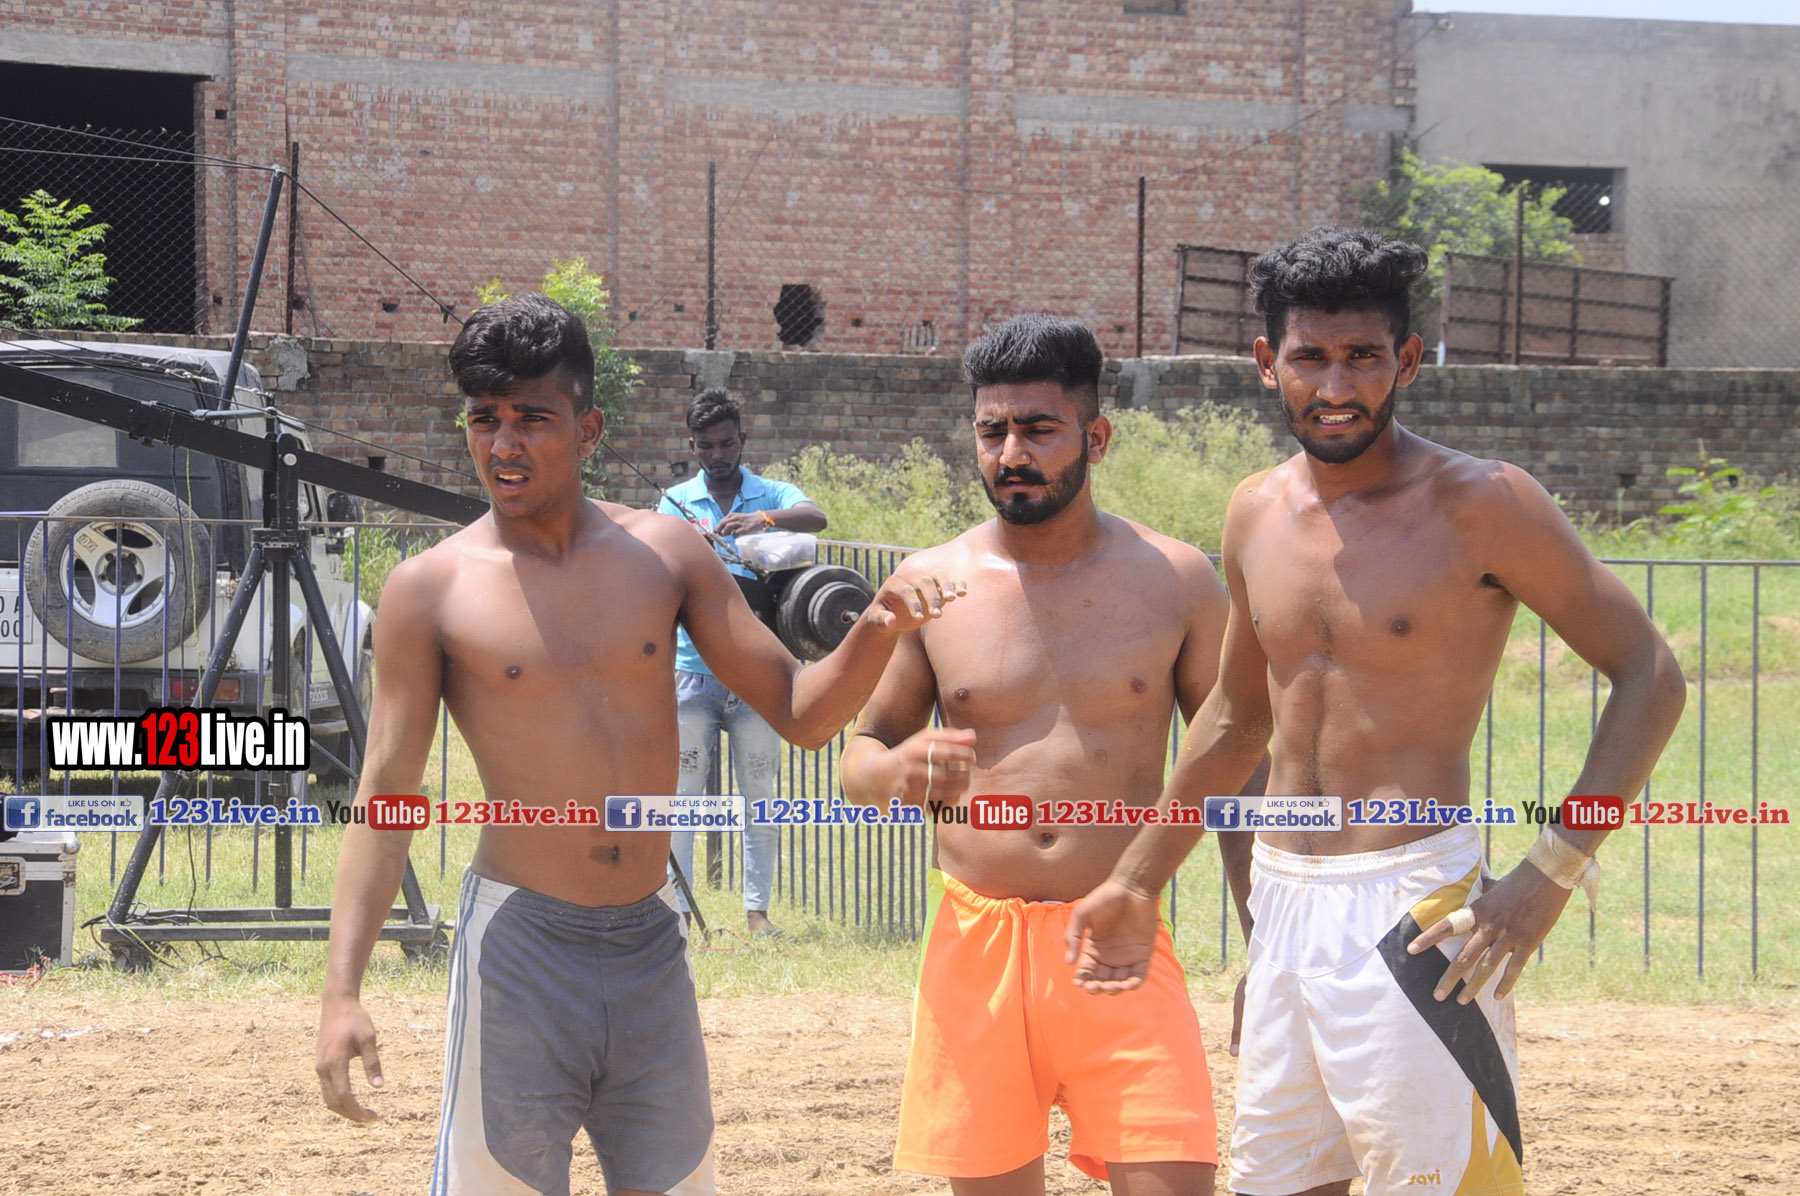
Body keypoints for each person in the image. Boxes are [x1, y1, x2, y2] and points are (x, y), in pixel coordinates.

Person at [1065, 228, 1686, 1196]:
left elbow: (1651, 673)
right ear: (1267, 362)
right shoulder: (1254, 510)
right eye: (1310, 356)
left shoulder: (1485, 503)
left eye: (1363, 356)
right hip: (1283, 909)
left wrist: (1554, 870)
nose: (1336, 385)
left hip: (1416, 908)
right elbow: (1234, 718)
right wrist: (1138, 879)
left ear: (1408, 359)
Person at [314, 293, 959, 1196]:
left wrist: (879, 623)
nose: (503, 444)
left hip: (652, 941)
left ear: (589, 430)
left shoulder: (667, 553)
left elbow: (802, 713)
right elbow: (386, 795)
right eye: (484, 419)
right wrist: (341, 992)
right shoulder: (430, 590)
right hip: (520, 948)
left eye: (532, 418)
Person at [840, 314, 1252, 1196]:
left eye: (1038, 429)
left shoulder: (1177, 580)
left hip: (1119, 938)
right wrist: (891, 774)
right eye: (992, 432)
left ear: (1095, 438)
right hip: (975, 946)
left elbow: (1238, 768)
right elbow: (861, 754)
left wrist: (1267, 946)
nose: (1011, 454)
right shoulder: (931, 585)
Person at [658, 387, 827, 937]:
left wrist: (764, 522)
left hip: (758, 675)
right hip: (692, 673)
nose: (718, 455)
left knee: (761, 797)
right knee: (682, 801)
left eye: (727, 443)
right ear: (692, 446)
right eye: (706, 445)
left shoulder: (769, 494)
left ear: (742, 440)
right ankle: (681, 913)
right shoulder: (675, 501)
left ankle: (758, 914)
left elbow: (815, 517)